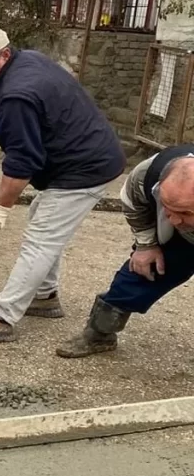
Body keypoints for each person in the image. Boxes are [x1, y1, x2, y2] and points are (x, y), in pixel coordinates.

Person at [0, 24, 126, 342]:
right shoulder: (28, 60)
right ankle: (44, 297)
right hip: (84, 156)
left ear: (4, 54)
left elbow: (22, 163)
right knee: (41, 220)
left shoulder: (17, 95)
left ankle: (1, 317)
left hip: (84, 167)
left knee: (41, 238)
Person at [56, 146, 194, 358]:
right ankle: (100, 334)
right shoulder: (147, 174)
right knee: (142, 272)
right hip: (180, 239)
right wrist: (146, 245)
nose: (174, 219)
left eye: (185, 211)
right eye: (169, 207)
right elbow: (134, 203)